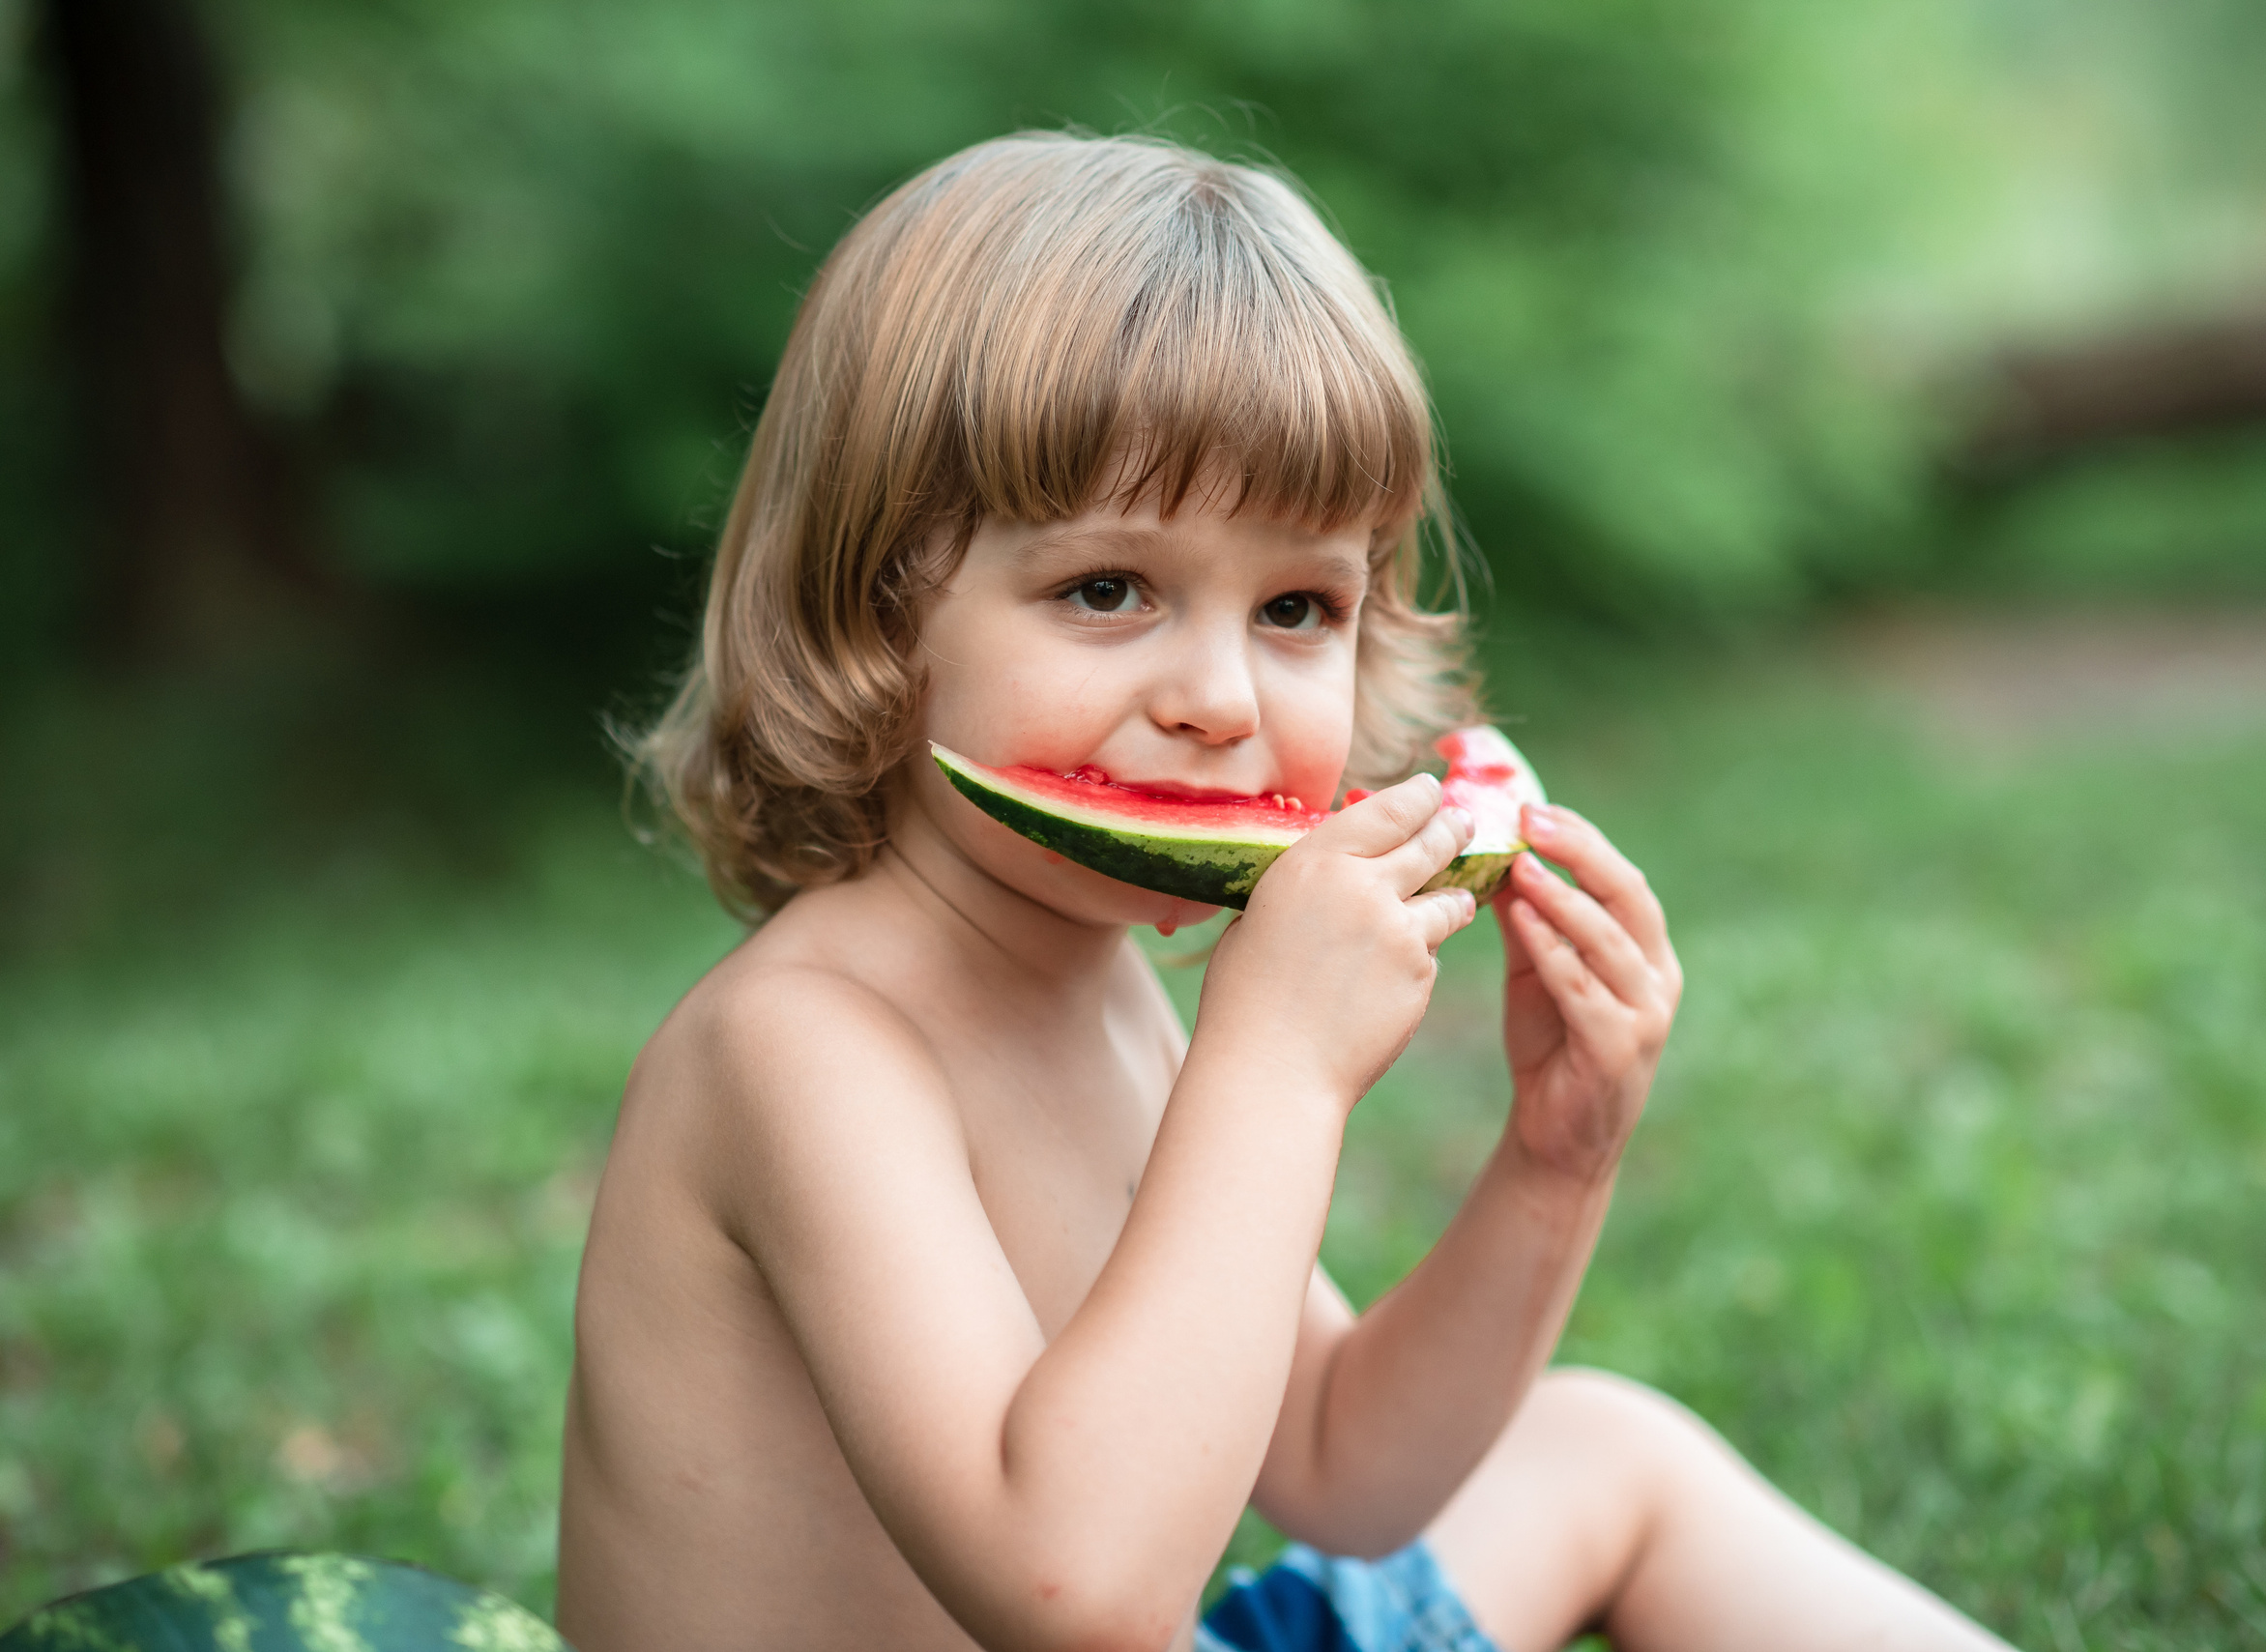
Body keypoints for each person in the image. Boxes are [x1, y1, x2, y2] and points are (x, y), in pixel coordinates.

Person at [555, 131, 2011, 1652]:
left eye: (1299, 605)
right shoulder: (803, 1049)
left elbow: (1339, 1462)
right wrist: (1275, 1068)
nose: (1218, 693)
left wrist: (1557, 1160)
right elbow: (1076, 1588)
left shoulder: (1098, 984)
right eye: (1107, 589)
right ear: (875, 609)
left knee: (1607, 1453)